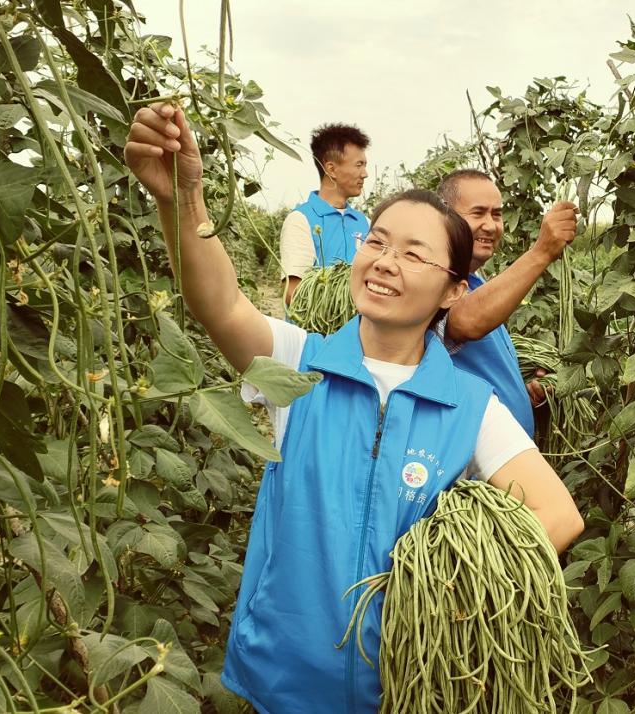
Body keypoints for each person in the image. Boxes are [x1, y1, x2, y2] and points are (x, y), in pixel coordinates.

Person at [124, 102, 584, 713]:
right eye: (378, 241)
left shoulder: (470, 405)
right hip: (284, 679)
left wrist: (442, 589)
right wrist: (182, 200)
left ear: (453, 289)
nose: (387, 261)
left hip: (401, 687)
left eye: (416, 254)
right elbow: (221, 303)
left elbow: (559, 516)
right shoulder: (299, 363)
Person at [437, 169, 577, 436]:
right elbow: (465, 322)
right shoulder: (436, 280)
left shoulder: (478, 283)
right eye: (478, 213)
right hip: (469, 466)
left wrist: (523, 393)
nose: (491, 225)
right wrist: (542, 252)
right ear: (445, 217)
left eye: (497, 214)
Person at [280, 123, 371, 306]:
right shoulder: (302, 220)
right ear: (331, 169)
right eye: (359, 165)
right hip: (315, 334)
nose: (365, 174)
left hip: (357, 334)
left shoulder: (365, 223)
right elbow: (293, 292)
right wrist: (346, 305)